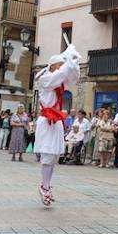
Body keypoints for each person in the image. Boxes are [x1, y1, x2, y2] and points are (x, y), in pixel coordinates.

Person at [33, 43, 80, 205]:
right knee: (47, 154)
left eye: (61, 65)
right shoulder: (45, 79)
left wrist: (73, 61)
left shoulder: (58, 80)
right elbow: (59, 75)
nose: (61, 68)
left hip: (56, 120)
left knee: (54, 156)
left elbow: (73, 77)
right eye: (59, 65)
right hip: (47, 121)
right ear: (52, 66)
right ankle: (44, 186)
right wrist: (67, 62)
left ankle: (46, 185)